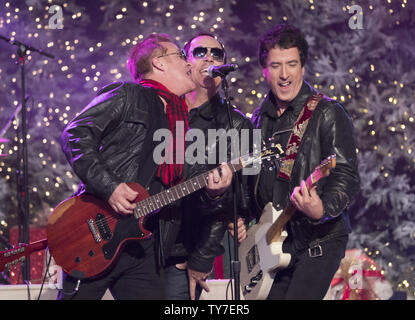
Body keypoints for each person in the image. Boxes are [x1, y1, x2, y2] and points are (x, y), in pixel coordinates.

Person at [57, 33, 232, 300]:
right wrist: (111, 187)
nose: (188, 62)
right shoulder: (129, 96)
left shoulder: (179, 119)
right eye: (181, 55)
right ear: (159, 63)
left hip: (142, 244)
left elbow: (189, 179)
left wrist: (215, 190)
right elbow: (75, 134)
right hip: (97, 232)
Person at [250, 24, 360, 300]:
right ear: (264, 69)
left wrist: (321, 208)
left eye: (292, 64)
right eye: (276, 65)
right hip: (272, 243)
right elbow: (248, 184)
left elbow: (346, 176)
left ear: (303, 67)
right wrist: (240, 221)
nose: (284, 74)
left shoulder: (327, 113)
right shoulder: (256, 122)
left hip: (318, 241)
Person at [161, 32, 253, 300]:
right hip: (142, 245)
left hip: (183, 253)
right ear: (186, 61)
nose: (210, 57)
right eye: (200, 52)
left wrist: (201, 259)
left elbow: (234, 200)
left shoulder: (237, 125)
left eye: (217, 53)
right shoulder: (162, 110)